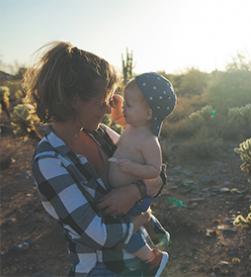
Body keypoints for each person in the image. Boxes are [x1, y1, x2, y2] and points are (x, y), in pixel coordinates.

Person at [25, 41, 169, 276]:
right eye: (101, 101)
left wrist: (135, 192)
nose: (106, 109)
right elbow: (97, 233)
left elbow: (158, 174)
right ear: (74, 99)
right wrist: (138, 220)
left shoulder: (100, 134)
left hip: (139, 265)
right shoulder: (49, 161)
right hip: (103, 269)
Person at [108, 72, 176, 271]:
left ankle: (151, 259)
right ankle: (155, 227)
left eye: (129, 105)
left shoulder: (149, 141)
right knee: (137, 220)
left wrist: (132, 168)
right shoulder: (131, 126)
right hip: (127, 193)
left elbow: (155, 170)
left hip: (134, 198)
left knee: (126, 231)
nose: (124, 110)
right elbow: (118, 117)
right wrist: (118, 103)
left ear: (148, 114)